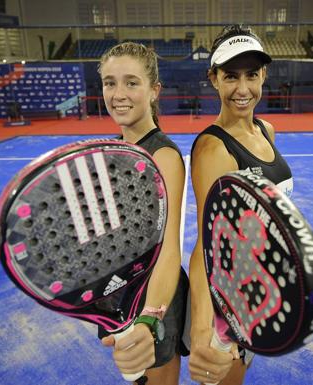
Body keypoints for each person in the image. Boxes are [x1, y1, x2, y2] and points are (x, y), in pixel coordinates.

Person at [188, 25, 293, 385]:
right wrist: (203, 329)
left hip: (257, 291)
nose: (243, 89)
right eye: (231, 76)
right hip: (227, 301)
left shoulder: (266, 130)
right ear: (213, 79)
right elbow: (206, 244)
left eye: (252, 75)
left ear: (264, 74)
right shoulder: (213, 149)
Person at [97, 41, 188, 385]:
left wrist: (150, 318)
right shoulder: (112, 150)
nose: (118, 93)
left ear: (154, 91)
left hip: (153, 298)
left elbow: (168, 252)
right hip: (118, 295)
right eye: (110, 82)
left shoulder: (162, 156)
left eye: (131, 82)